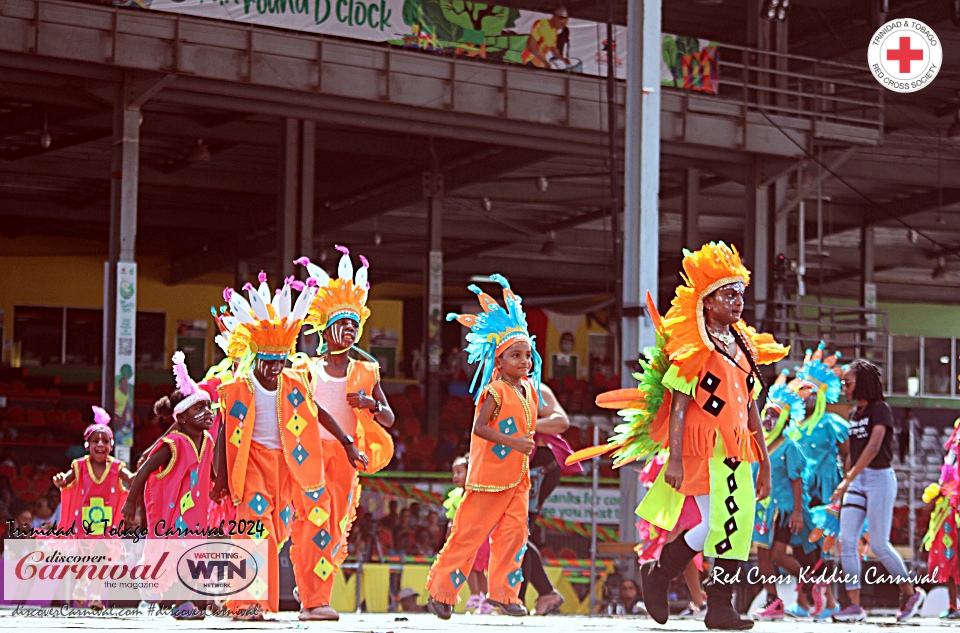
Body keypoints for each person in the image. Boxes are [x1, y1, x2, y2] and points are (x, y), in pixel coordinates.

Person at [570, 242, 788, 631]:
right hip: (702, 447)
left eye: (741, 293)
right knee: (723, 522)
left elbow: (750, 405)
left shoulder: (743, 346)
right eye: (728, 294)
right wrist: (672, 458)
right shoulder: (694, 348)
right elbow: (680, 404)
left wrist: (766, 463)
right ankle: (694, 592)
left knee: (734, 524)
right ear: (706, 300)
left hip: (738, 448)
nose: (738, 302)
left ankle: (689, 588)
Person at [211, 272, 368, 621]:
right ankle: (248, 603)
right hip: (252, 464)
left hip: (296, 465)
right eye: (268, 362)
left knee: (317, 521)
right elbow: (225, 433)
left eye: (281, 362)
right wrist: (219, 477)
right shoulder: (237, 387)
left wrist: (346, 444)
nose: (275, 369)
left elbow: (319, 412)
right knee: (255, 527)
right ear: (255, 358)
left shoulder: (294, 379)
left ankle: (315, 601)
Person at [426, 274, 541, 619]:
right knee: (469, 535)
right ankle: (442, 592)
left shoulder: (529, 391)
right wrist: (514, 442)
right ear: (499, 361)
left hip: (518, 478)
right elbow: (479, 428)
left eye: (528, 355)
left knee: (514, 536)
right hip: (489, 477)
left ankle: (505, 595)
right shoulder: (494, 391)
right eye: (516, 355)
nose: (524, 361)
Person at [292, 248, 396, 620]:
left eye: (355, 325)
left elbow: (389, 419)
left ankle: (311, 588)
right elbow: (309, 411)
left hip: (347, 460)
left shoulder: (367, 370)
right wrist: (347, 442)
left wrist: (370, 404)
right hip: (310, 454)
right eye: (343, 323)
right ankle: (313, 601)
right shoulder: (305, 368)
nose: (350, 330)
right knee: (314, 522)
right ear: (325, 327)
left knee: (334, 530)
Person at [121, 351, 215, 620]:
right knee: (167, 556)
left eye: (208, 407)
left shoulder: (208, 441)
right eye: (199, 408)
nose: (207, 413)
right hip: (172, 514)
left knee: (193, 556)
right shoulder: (173, 444)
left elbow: (212, 471)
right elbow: (144, 470)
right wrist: (131, 502)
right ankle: (152, 584)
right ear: (181, 419)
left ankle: (182, 603)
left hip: (195, 513)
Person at [830, 359, 925, 622]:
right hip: (858, 479)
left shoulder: (880, 409)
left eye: (847, 383)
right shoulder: (853, 414)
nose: (844, 388)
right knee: (846, 541)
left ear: (863, 383)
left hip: (879, 478)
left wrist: (847, 479)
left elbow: (873, 448)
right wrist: (846, 480)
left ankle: (910, 592)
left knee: (880, 545)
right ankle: (854, 605)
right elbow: (855, 451)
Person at [783, 344, 847, 619]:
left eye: (809, 391)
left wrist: (844, 489)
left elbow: (848, 456)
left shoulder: (832, 422)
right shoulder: (792, 426)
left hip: (825, 491)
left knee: (818, 546)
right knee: (799, 546)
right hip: (800, 492)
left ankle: (829, 600)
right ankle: (806, 601)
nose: (804, 396)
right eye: (801, 390)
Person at [53, 406, 135, 610]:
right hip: (84, 522)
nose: (100, 444)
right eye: (95, 441)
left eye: (105, 441)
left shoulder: (117, 467)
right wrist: (61, 480)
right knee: (84, 556)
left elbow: (132, 480)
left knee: (101, 557)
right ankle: (81, 584)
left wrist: (146, 473)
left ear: (111, 445)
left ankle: (96, 596)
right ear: (87, 445)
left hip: (106, 524)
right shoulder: (79, 466)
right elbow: (66, 482)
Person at [750, 371, 813, 620]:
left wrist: (797, 512)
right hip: (762, 510)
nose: (768, 419)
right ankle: (773, 601)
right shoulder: (759, 446)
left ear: (786, 419)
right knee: (762, 555)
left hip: (783, 509)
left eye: (774, 415)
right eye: (766, 414)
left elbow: (797, 481)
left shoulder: (790, 446)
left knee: (776, 555)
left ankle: (811, 583)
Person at [521, 382, 577, 616]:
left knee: (519, 533)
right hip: (520, 467)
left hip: (539, 469)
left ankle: (519, 599)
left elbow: (561, 421)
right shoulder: (497, 387)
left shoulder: (535, 388)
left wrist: (524, 426)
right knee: (516, 533)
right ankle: (544, 593)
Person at [442, 455, 493, 614]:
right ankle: (483, 599)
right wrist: (449, 533)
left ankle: (477, 595)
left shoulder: (476, 494)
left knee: (474, 568)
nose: (455, 476)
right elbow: (452, 518)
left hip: (479, 538)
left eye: (459, 472)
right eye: (454, 473)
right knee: (473, 568)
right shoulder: (456, 496)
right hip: (464, 538)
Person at [921, 417, 959, 620]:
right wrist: (939, 495)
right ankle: (953, 606)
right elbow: (949, 472)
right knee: (948, 555)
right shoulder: (957, 430)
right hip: (948, 505)